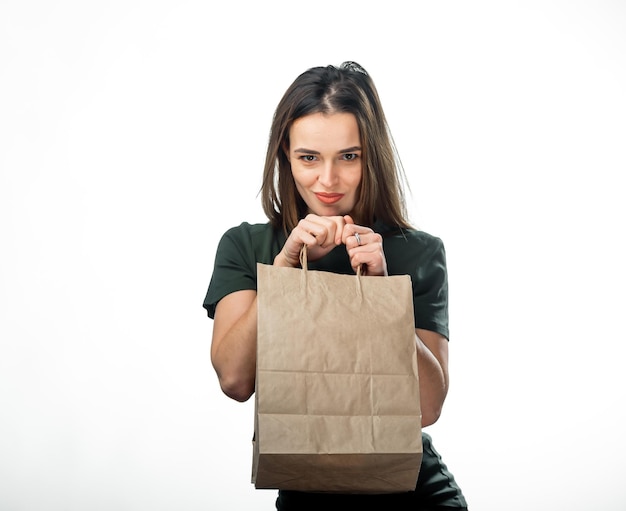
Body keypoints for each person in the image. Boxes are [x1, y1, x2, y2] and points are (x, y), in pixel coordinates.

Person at [203, 61, 468, 510]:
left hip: (414, 494)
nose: (328, 180)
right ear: (285, 155)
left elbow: (427, 409)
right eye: (309, 158)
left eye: (349, 156)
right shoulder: (247, 244)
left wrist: (383, 295)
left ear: (373, 156)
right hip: (306, 491)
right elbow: (235, 379)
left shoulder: (418, 252)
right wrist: (284, 269)